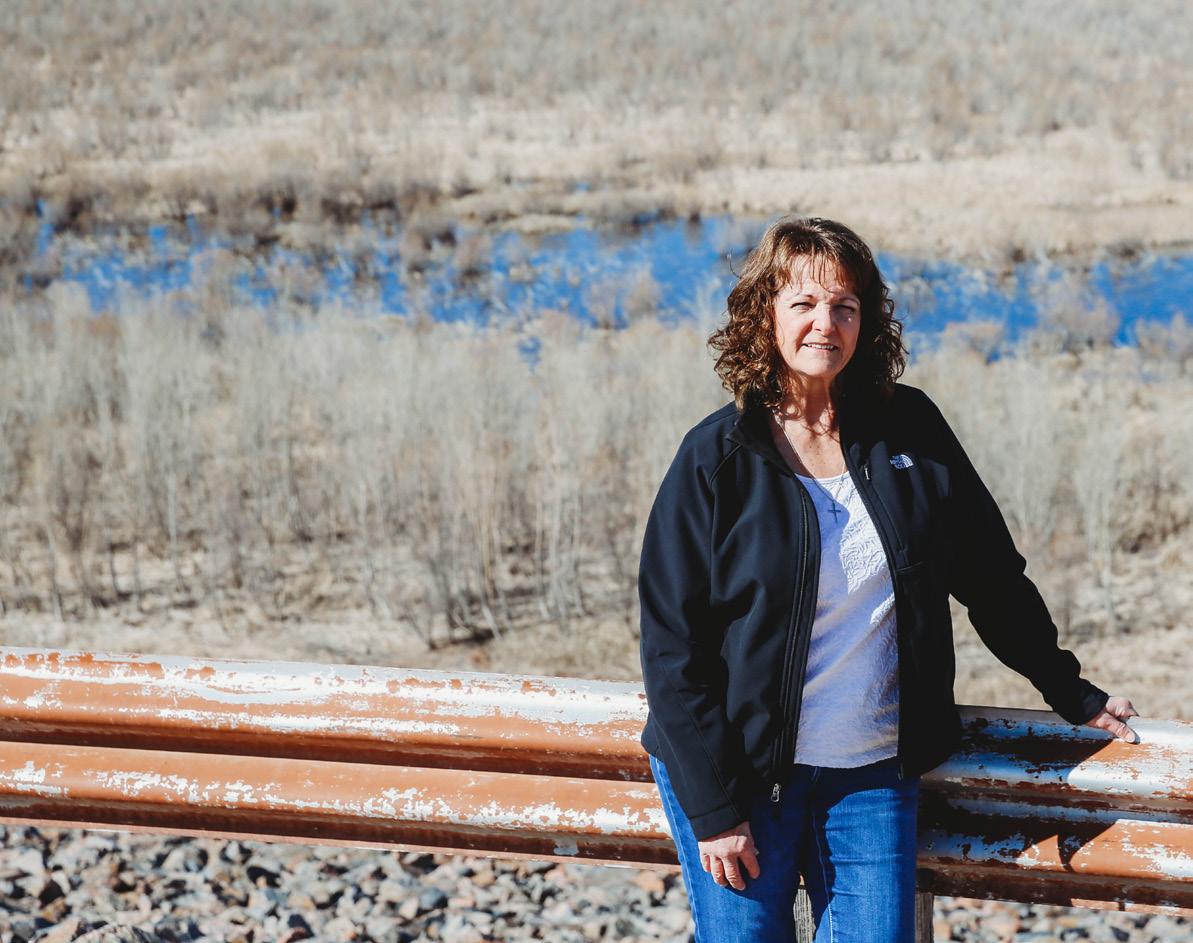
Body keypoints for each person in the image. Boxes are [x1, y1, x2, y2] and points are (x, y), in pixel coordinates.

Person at [636, 216, 1140, 943]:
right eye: (803, 304)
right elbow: (671, 648)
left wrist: (1070, 689)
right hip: (741, 773)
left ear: (865, 320)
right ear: (764, 316)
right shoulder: (716, 459)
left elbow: (991, 575)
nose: (825, 324)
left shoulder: (911, 429)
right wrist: (715, 809)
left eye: (844, 305)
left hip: (870, 771)